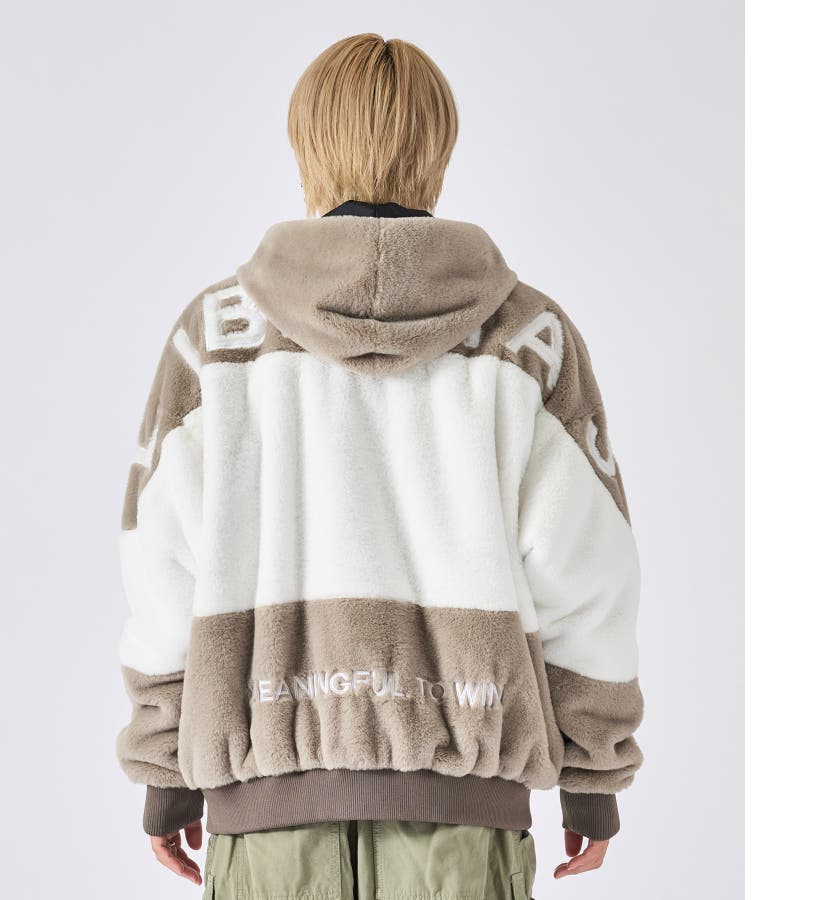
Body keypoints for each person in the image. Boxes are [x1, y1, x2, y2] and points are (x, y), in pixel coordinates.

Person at [116, 32, 643, 899]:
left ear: (306, 145)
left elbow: (161, 565)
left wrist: (165, 766)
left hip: (267, 825)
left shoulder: (214, 338)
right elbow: (589, 573)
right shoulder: (529, 340)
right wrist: (592, 775)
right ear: (438, 149)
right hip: (464, 829)